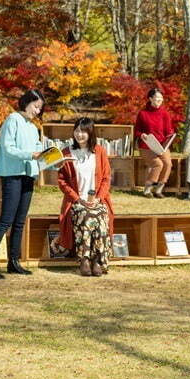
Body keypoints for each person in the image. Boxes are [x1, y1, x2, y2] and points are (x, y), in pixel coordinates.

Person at [0, 89, 47, 280]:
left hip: (28, 175)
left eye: (40, 108)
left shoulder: (33, 127)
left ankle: (13, 262)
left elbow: (37, 149)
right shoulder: (12, 120)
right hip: (12, 175)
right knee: (6, 220)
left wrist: (45, 157)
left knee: (20, 221)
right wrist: (30, 155)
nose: (37, 111)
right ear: (26, 102)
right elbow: (8, 148)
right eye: (36, 106)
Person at [57, 117, 115, 276]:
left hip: (97, 199)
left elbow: (106, 178)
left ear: (90, 133)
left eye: (83, 131)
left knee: (101, 216)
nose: (79, 134)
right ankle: (84, 259)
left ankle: (97, 260)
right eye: (77, 131)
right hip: (77, 200)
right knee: (86, 215)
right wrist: (77, 198)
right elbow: (62, 181)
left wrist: (99, 198)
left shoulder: (99, 151)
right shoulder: (66, 152)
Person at [134, 87, 180, 197]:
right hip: (146, 145)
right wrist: (142, 135)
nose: (159, 100)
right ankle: (147, 190)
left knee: (168, 164)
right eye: (156, 98)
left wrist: (171, 137)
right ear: (150, 98)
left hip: (161, 145)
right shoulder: (142, 113)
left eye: (161, 98)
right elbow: (136, 131)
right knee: (158, 164)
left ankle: (159, 190)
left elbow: (168, 131)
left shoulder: (165, 114)